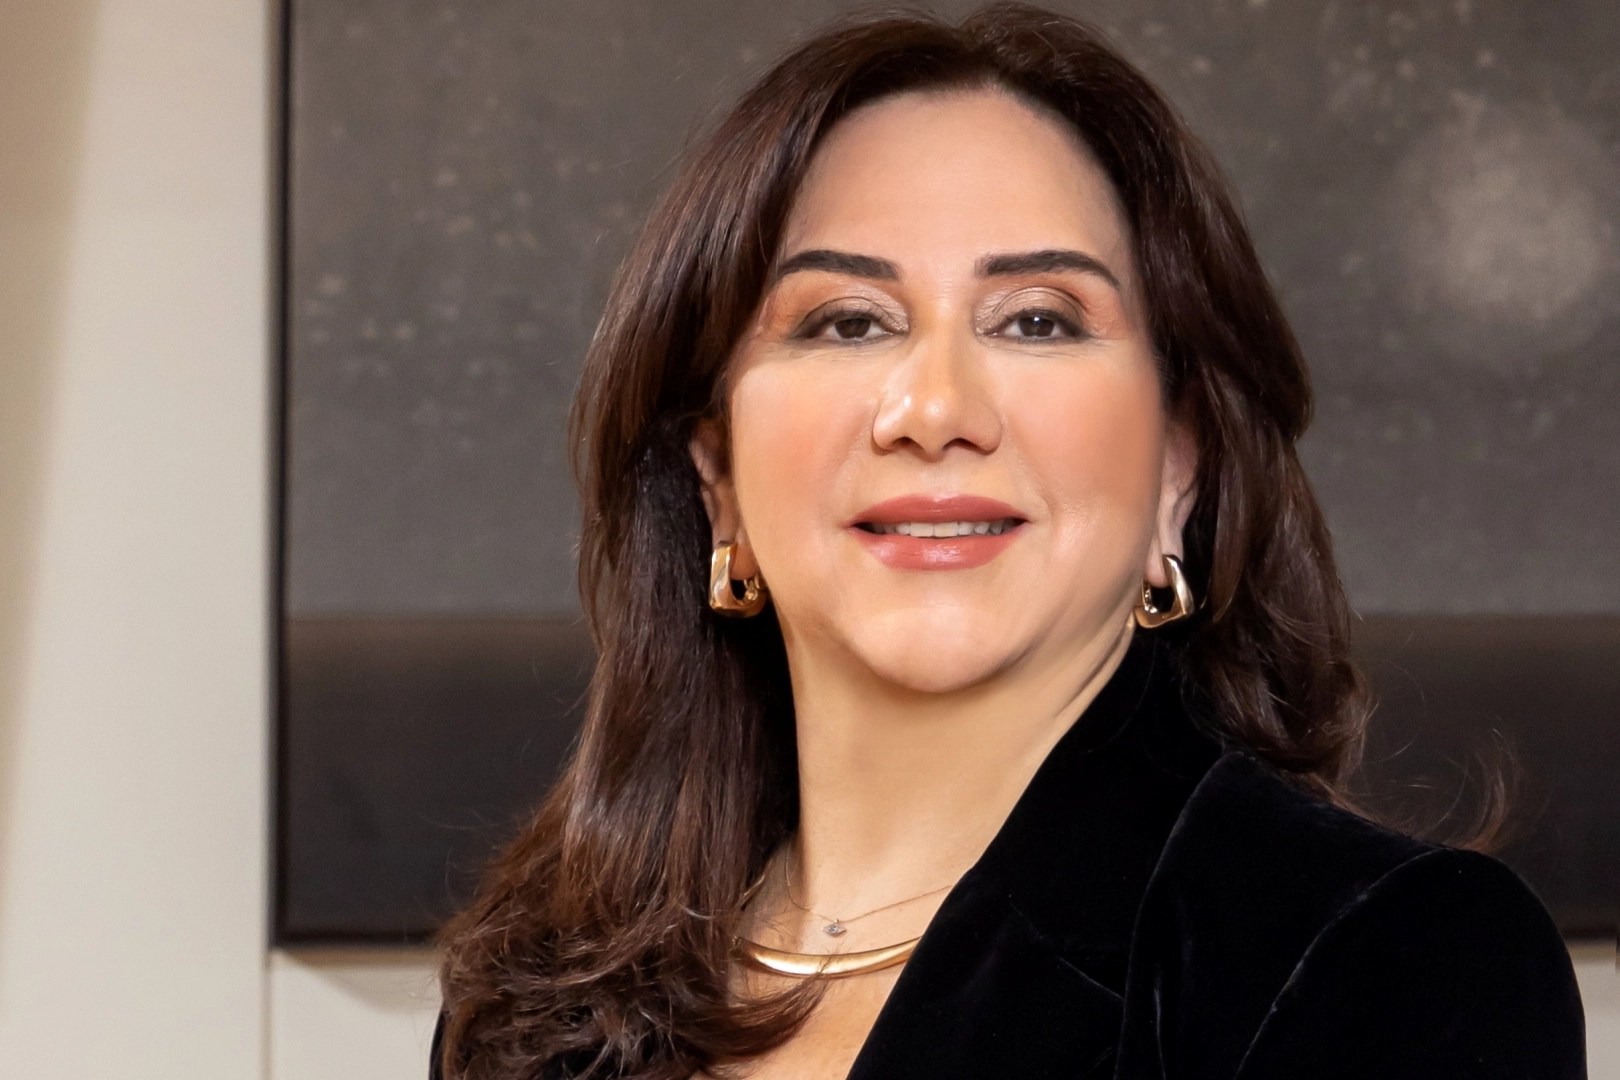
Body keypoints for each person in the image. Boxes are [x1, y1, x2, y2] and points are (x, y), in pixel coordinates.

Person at [431, 6, 1586, 1078]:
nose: (936, 410)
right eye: (848, 321)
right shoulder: (539, 1007)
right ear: (718, 480)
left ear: (1178, 469)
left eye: (1036, 320)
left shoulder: (1388, 958)